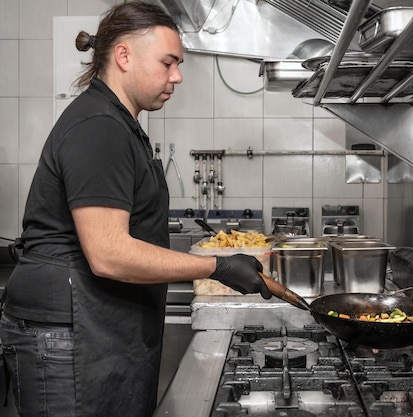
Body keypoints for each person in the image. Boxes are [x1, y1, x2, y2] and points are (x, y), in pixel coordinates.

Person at [0, 2, 271, 416]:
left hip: (93, 326)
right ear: (124, 56)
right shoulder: (98, 127)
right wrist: (215, 266)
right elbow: (108, 253)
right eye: (168, 63)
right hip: (68, 335)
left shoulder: (119, 123)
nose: (177, 76)